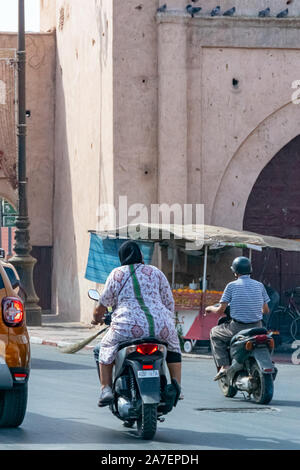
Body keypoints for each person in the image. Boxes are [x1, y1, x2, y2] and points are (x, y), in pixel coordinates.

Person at [92, 240, 182, 407]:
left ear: (121, 257)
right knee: (174, 347)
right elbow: (169, 303)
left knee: (104, 347)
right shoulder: (156, 272)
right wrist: (164, 321)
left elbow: (101, 306)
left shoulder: (117, 274)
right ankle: (177, 386)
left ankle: (106, 389)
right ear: (140, 255)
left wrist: (96, 319)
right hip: (161, 326)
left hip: (127, 327)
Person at [205, 256, 270, 381]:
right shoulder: (259, 285)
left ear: (235, 272)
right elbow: (266, 310)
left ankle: (224, 366)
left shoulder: (231, 286)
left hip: (238, 328)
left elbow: (220, 310)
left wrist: (209, 308)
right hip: (258, 326)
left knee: (214, 333)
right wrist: (255, 310)